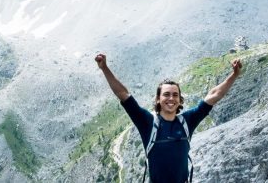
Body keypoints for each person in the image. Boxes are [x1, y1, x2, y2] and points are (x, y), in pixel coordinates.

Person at [95, 53, 242, 182]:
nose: (171, 98)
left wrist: (234, 75)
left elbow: (214, 95)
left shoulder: (187, 121)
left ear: (179, 100)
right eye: (166, 94)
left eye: (175, 94)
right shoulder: (147, 123)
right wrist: (104, 68)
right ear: (158, 99)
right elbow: (123, 94)